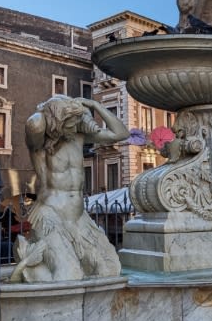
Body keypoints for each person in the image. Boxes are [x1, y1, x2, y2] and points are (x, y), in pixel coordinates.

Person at [10, 95, 129, 282]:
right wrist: (52, 108)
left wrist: (94, 105)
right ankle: (29, 269)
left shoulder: (77, 136)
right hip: (51, 216)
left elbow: (121, 134)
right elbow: (34, 124)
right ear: (58, 122)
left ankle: (35, 267)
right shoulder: (40, 144)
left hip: (79, 218)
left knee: (109, 269)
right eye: (71, 124)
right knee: (69, 275)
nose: (75, 127)